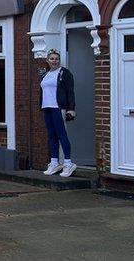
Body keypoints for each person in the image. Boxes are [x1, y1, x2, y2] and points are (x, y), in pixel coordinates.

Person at [41, 49, 77, 177]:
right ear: (47, 60)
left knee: (62, 135)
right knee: (52, 136)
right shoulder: (46, 74)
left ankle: (68, 163)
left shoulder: (64, 73)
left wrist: (71, 108)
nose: (54, 61)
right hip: (47, 107)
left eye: (56, 59)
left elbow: (70, 91)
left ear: (59, 60)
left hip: (58, 107)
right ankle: (54, 162)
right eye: (52, 59)